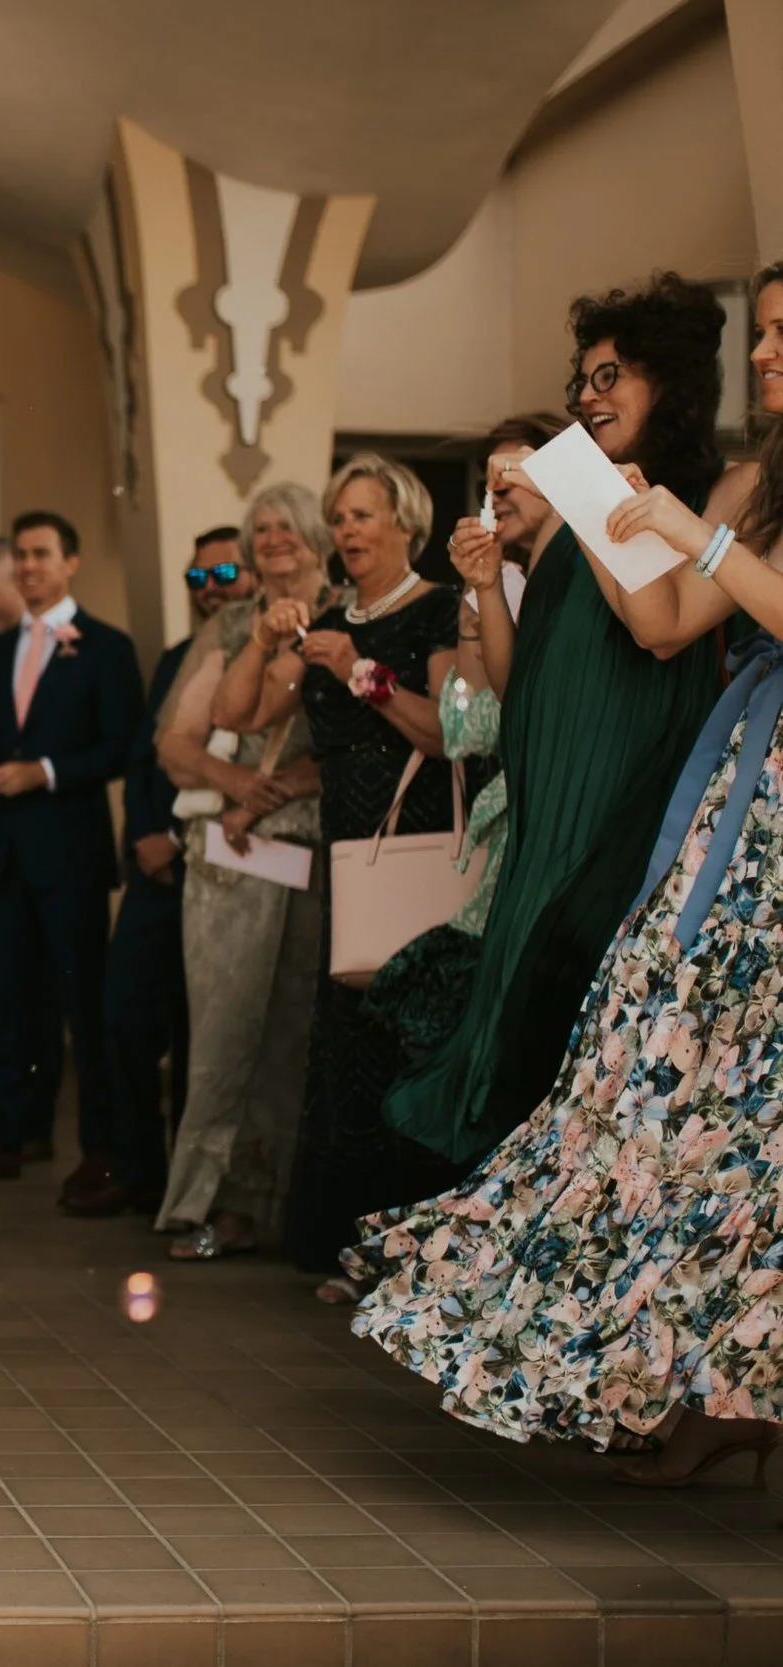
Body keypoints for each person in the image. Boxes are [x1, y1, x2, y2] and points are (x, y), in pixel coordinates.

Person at [347, 263, 783, 1486]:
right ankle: (699, 1378)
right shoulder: (756, 478)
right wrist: (583, 507)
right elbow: (653, 622)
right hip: (734, 795)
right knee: (671, 1081)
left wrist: (681, 528)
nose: (763, 353)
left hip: (725, 795)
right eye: (760, 333)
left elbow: (686, 610)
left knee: (717, 1087)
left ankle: (714, 1387)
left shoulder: (724, 494)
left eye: (781, 333)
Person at [381, 277, 725, 1171]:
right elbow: (514, 680)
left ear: (669, 384)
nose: (587, 395)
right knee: (520, 992)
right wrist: (487, 586)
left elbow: (658, 630)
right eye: (582, 379)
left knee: (565, 987)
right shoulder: (573, 527)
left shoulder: (685, 497)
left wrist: (584, 489)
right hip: (544, 806)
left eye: (611, 376)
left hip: (616, 792)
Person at [217, 455, 460, 1295]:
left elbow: (446, 733)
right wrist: (263, 639)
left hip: (415, 845)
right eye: (340, 517)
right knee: (350, 1045)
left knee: (408, 1040)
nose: (346, 531)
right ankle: (355, 1248)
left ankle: (415, 1253)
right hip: (347, 853)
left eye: (362, 515)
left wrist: (359, 669)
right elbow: (239, 714)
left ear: (406, 524)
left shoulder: (439, 609)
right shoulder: (327, 619)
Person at [0, 511, 141, 1201]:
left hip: (69, 852)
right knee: (10, 1001)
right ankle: (10, 1133)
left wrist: (44, 772)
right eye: (20, 555)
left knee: (83, 1004)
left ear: (70, 562)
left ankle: (102, 1148)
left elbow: (122, 746)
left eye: (41, 553)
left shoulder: (105, 647)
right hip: (1, 852)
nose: (28, 566)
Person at [153, 486, 334, 1258]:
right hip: (230, 861)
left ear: (317, 532)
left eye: (286, 524)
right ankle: (209, 1200)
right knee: (221, 1035)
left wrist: (285, 786)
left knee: (296, 1031)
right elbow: (176, 740)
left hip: (317, 852)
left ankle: (276, 1205)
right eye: (260, 527)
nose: (272, 537)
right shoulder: (231, 625)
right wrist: (239, 786)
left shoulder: (348, 616)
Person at [360, 416, 563, 1070]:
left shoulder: (576, 580)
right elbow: (467, 730)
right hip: (512, 832)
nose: (496, 491)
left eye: (513, 474)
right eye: (489, 482)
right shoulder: (501, 583)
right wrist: (480, 608)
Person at [73, 534, 241, 1217]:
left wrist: (181, 839)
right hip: (157, 871)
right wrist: (148, 837)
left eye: (224, 571)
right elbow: (146, 758)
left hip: (224, 863)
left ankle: (193, 1186)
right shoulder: (177, 656)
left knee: (204, 1035)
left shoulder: (269, 650)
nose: (210, 586)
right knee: (125, 1016)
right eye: (197, 577)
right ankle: (138, 1169)